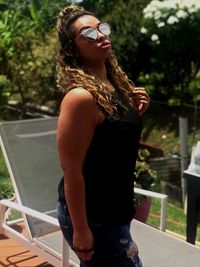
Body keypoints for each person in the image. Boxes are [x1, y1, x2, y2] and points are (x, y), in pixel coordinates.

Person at [56, 4, 150, 267]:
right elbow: (71, 170)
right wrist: (81, 230)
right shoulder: (80, 98)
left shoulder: (113, 89)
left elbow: (114, 146)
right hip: (95, 218)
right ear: (73, 48)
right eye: (88, 33)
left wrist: (135, 113)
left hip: (115, 212)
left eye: (102, 29)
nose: (100, 36)